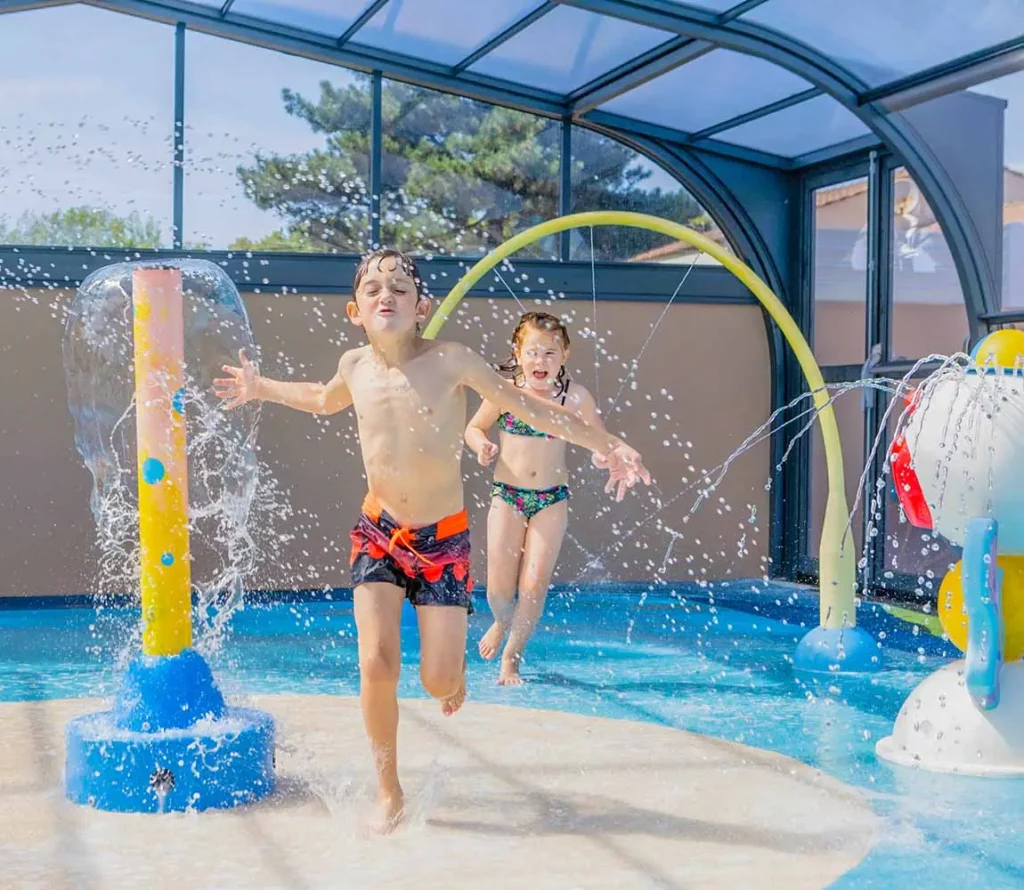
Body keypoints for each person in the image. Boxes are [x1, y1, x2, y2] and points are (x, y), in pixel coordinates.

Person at [214, 248, 650, 833]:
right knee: (375, 662)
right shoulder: (354, 367)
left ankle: (456, 675)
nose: (385, 293)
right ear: (354, 311)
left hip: (443, 542)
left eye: (399, 286)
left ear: (424, 307)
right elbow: (321, 400)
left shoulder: (453, 361)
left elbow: (533, 409)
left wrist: (610, 443)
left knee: (437, 681)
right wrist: (259, 386)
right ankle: (388, 790)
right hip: (378, 533)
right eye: (372, 288)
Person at [465, 312, 608, 685]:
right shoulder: (505, 390)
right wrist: (481, 444)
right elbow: (474, 427)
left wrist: (601, 454)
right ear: (517, 353)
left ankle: (512, 657)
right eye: (532, 352)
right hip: (507, 496)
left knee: (533, 583)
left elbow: (598, 437)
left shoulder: (574, 397)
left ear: (565, 355)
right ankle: (500, 621)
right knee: (498, 586)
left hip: (551, 499)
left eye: (549, 353)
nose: (540, 361)